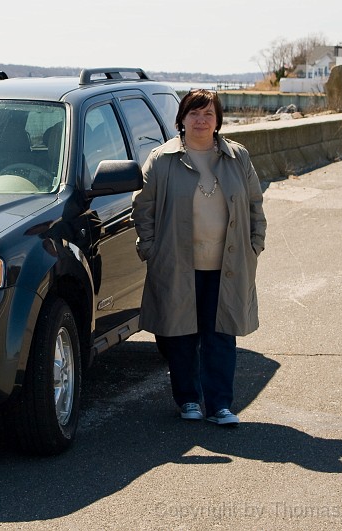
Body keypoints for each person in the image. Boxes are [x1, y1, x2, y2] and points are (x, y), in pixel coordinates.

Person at [132, 89, 266, 426]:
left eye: (208, 113)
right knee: (181, 336)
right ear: (182, 119)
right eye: (194, 113)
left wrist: (255, 244)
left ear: (218, 119)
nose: (201, 120)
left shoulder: (238, 157)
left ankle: (220, 405)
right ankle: (188, 399)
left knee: (221, 335)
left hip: (228, 265)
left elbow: (254, 204)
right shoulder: (162, 160)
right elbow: (142, 207)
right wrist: (149, 248)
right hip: (178, 264)